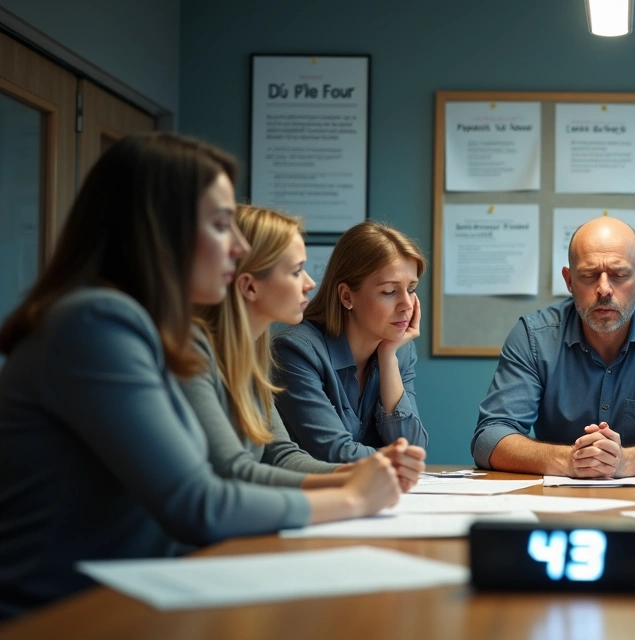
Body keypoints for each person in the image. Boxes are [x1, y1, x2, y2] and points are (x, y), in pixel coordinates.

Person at [0, 134, 400, 619]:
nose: (237, 248)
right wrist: (353, 499)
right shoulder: (97, 323)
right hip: (64, 616)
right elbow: (197, 501)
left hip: (132, 598)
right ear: (157, 232)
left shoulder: (146, 329)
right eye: (219, 225)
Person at [183, 205, 426, 489]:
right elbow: (235, 471)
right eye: (297, 270)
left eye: (411, 289)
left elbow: (281, 456)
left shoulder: (248, 354)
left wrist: (370, 474)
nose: (310, 283)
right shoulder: (204, 355)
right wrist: (365, 483)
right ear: (249, 287)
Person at [472, 216, 635, 477]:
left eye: (620, 275)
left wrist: (626, 461)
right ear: (569, 280)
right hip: (560, 503)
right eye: (589, 275)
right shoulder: (533, 336)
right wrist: (569, 460)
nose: (604, 289)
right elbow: (490, 436)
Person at [273, 220, 428, 463]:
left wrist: (388, 357)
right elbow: (334, 453)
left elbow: (413, 445)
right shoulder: (295, 351)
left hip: (373, 494)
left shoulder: (400, 350)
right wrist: (401, 460)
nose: (407, 305)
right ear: (347, 296)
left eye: (411, 289)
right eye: (389, 291)